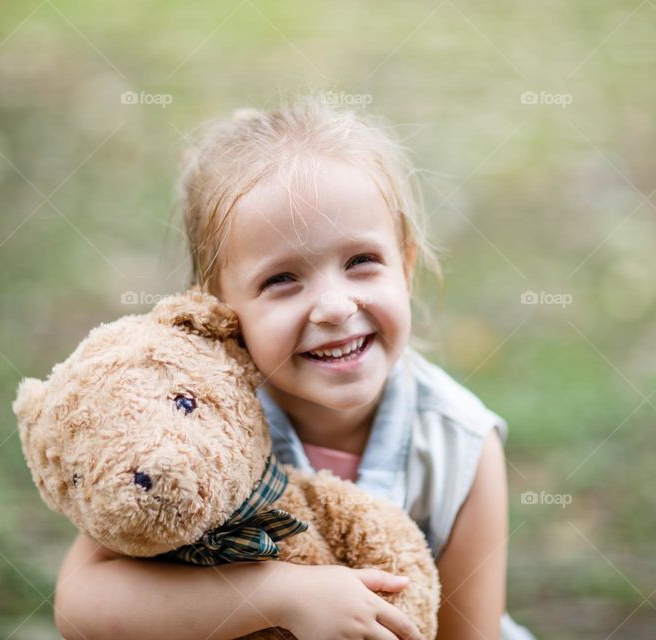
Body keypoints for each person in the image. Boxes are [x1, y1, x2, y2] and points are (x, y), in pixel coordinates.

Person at [53, 94, 535, 640]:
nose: (333, 307)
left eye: (361, 262)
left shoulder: (460, 445)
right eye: (281, 279)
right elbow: (80, 605)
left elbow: (468, 634)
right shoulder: (186, 415)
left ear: (405, 264)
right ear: (220, 307)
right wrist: (277, 596)